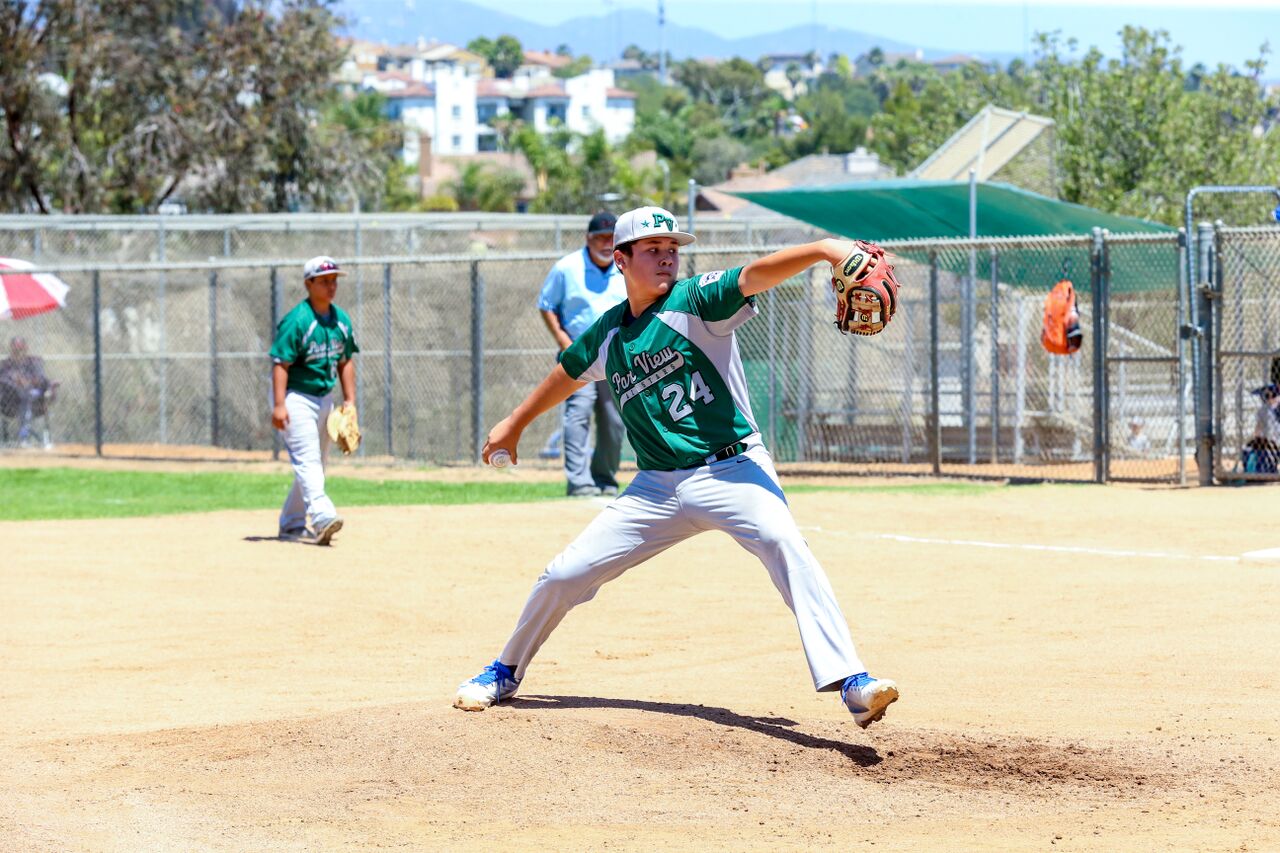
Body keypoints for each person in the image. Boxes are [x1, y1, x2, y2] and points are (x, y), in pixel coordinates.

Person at [455, 206, 899, 729]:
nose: (667, 257)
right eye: (653, 250)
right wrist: (514, 422)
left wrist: (825, 248)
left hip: (732, 471)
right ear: (620, 260)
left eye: (672, 249)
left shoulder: (696, 300)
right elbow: (568, 372)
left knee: (785, 544)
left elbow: (756, 274)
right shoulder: (610, 333)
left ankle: (852, 682)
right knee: (564, 574)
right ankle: (504, 670)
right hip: (654, 489)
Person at [268, 256, 359, 545]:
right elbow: (280, 364)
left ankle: (293, 525)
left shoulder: (340, 320)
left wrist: (350, 401)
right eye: (324, 281)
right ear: (309, 284)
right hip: (295, 397)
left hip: (323, 397)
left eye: (334, 280)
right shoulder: (298, 321)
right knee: (308, 462)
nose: (331, 286)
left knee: (315, 463)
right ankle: (322, 517)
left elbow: (346, 361)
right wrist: (280, 405)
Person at [537, 211, 628, 497]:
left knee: (614, 419)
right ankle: (579, 482)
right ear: (588, 239)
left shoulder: (625, 266)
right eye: (599, 238)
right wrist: (564, 341)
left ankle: (605, 479)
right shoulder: (567, 267)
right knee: (578, 415)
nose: (605, 243)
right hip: (578, 353)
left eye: (610, 238)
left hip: (615, 354)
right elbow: (546, 304)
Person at [0, 337, 56, 448]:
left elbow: (41, 378)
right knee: (22, 393)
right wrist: (15, 381)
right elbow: (3, 380)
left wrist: (29, 382)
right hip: (11, 402)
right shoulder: (6, 364)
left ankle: (25, 437)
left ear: (26, 348)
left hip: (35, 399)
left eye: (21, 349)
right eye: (16, 349)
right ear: (11, 349)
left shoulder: (33, 362)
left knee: (29, 394)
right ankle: (23, 437)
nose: (18, 351)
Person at [1244, 383, 1280, 474]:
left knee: (1252, 446)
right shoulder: (1274, 406)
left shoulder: (1264, 409)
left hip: (1271, 444)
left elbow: (1257, 431)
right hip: (1274, 444)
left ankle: (1262, 469)